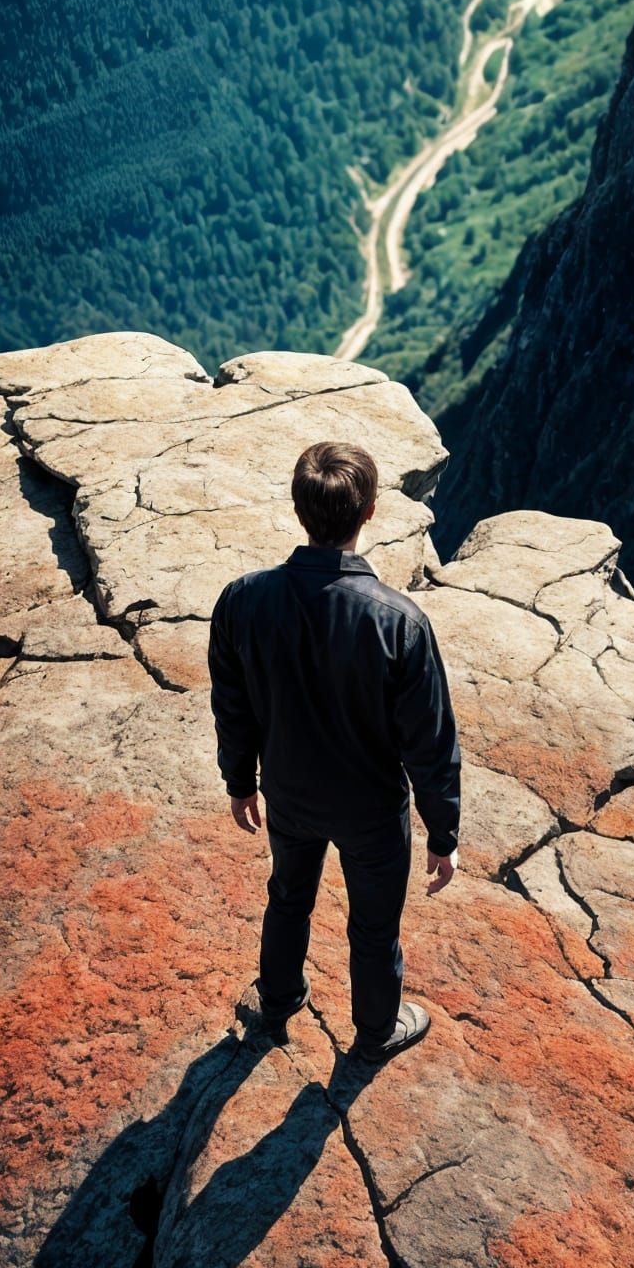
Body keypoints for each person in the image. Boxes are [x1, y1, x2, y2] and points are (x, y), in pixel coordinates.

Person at [208, 439, 461, 1064]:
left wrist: (240, 781)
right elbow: (429, 744)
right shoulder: (399, 622)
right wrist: (443, 833)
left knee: (288, 896)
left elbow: (232, 704)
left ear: (298, 509)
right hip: (370, 810)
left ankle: (277, 1001)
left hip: (288, 792)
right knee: (373, 925)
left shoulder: (242, 600)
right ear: (369, 511)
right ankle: (375, 1032)